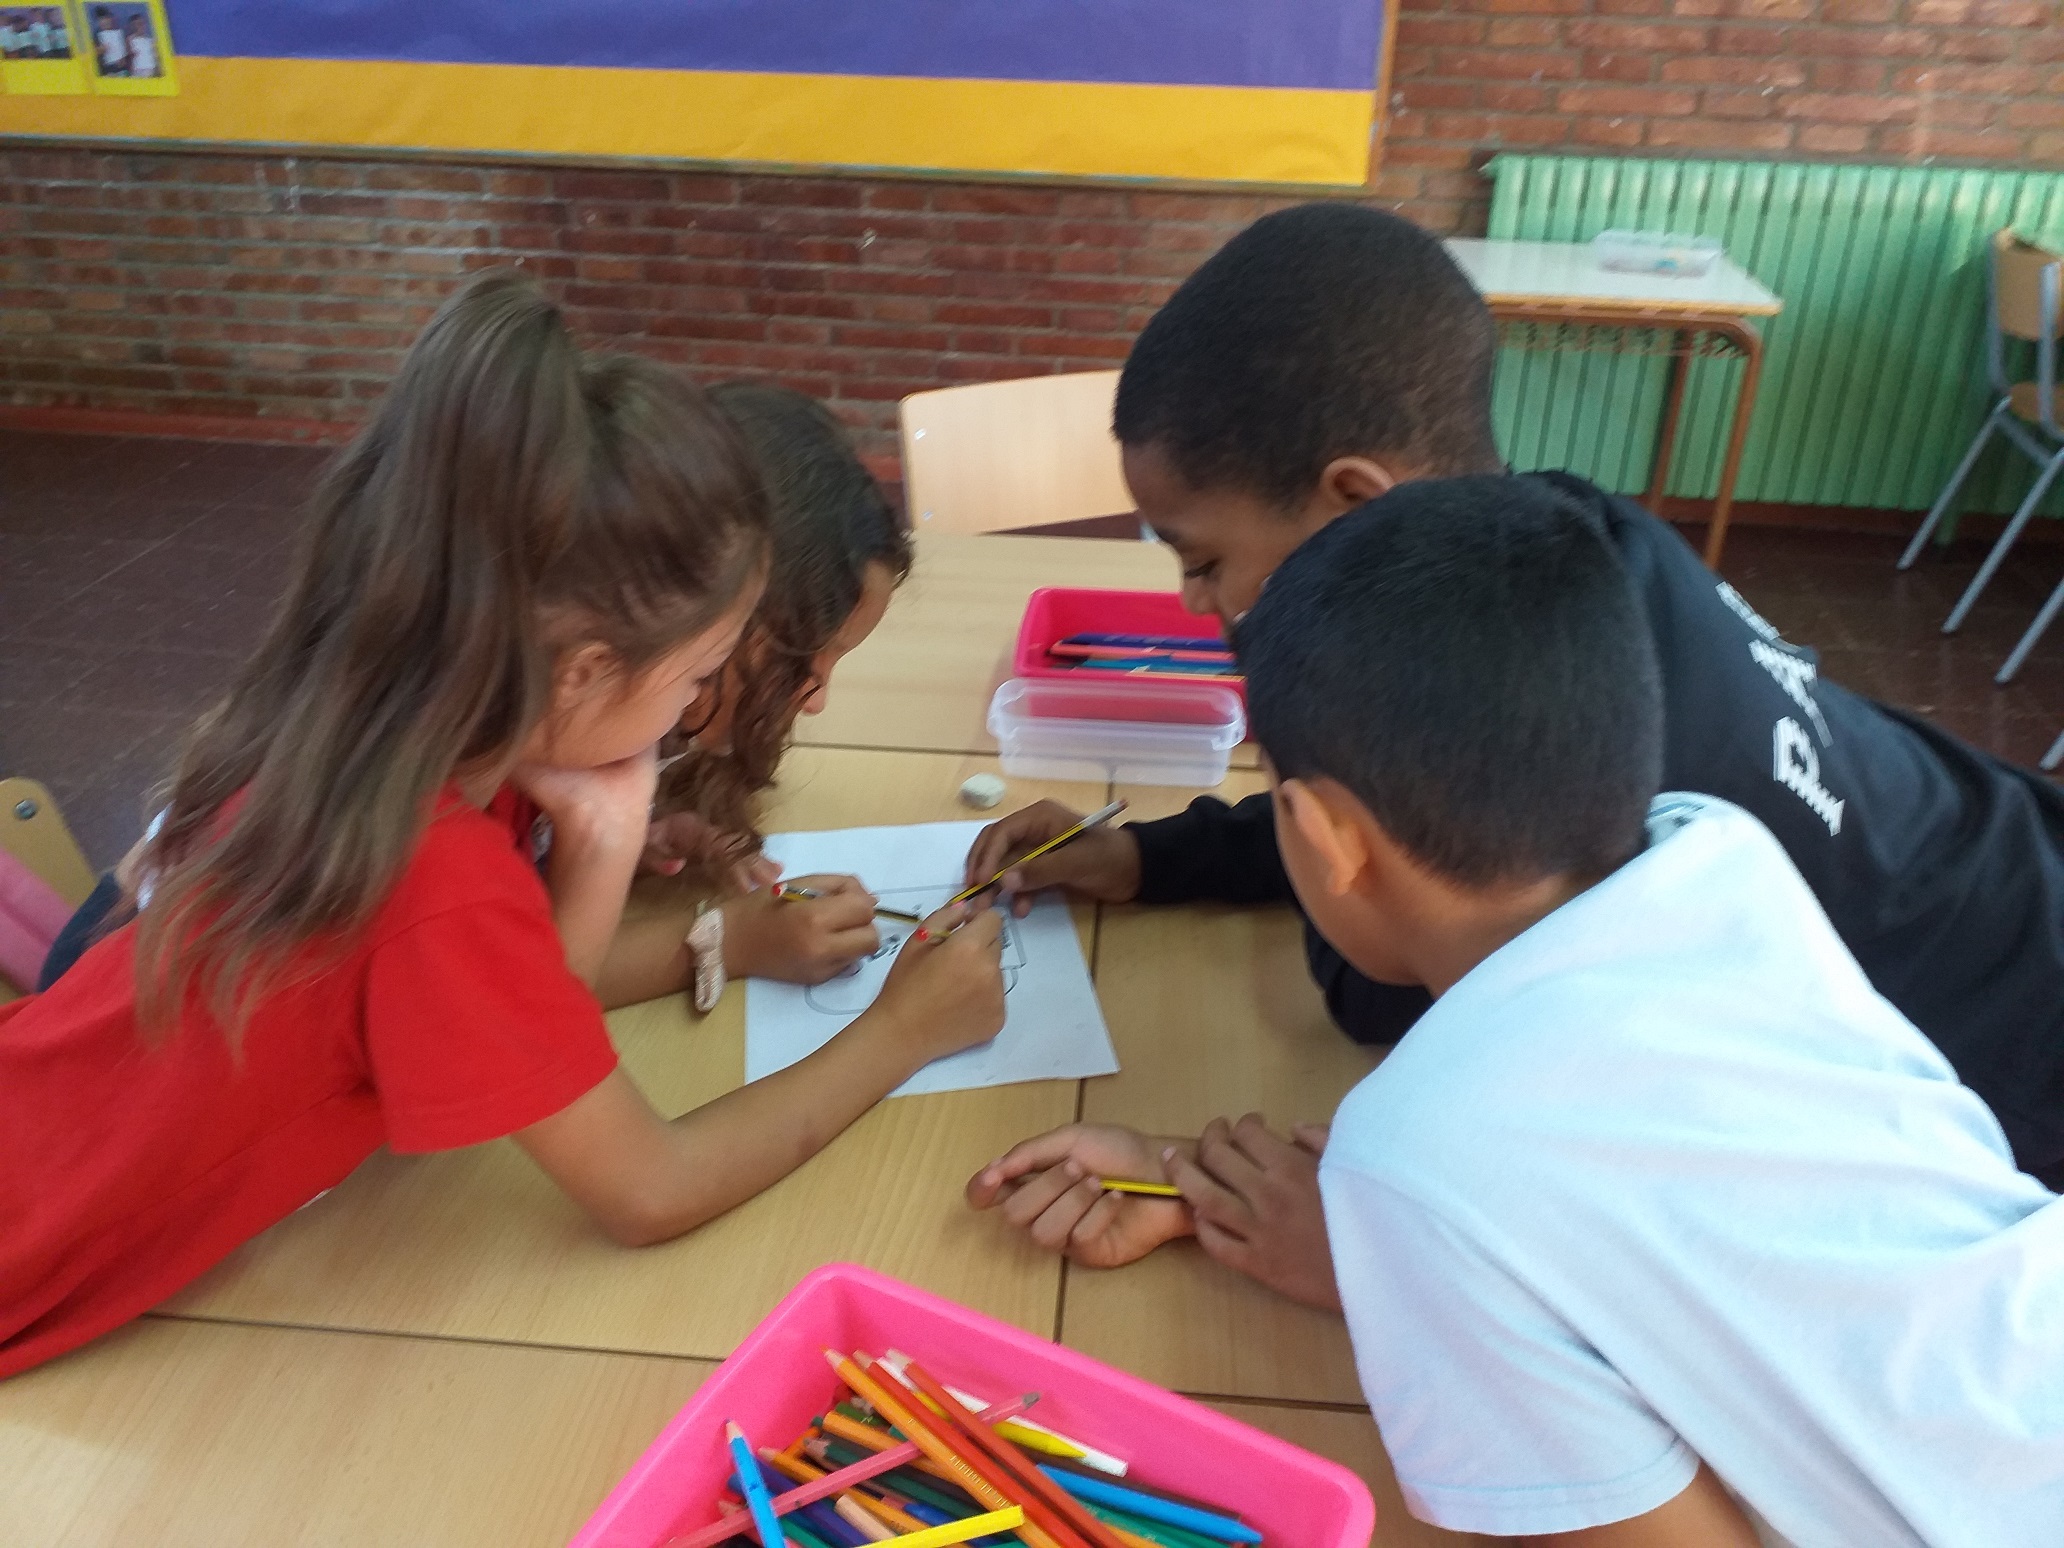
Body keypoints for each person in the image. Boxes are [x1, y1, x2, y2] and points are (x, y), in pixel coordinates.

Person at [975, 479, 2064, 1545]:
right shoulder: (1719, 856)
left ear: (1319, 836)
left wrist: (1399, 1253)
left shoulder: (1420, 1162)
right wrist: (1377, 1246)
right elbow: (1648, 1199)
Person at [0, 272, 1005, 1380]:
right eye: (701, 673)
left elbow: (521, 1019)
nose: (695, 711)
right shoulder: (440, 870)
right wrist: (904, 1030)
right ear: (583, 671)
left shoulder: (413, 736)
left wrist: (634, 875)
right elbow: (648, 1188)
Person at [963, 201, 2064, 1185]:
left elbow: (1378, 977)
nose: (1196, 603)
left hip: (2007, 1072)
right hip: (1998, 843)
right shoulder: (1564, 546)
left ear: (1354, 505)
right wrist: (1153, 858)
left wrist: (1348, 1227)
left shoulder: (1590, 812)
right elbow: (1394, 811)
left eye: (1203, 560)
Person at [596, 382, 915, 1009]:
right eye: (805, 656)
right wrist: (729, 940)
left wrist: (626, 842)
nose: (817, 699)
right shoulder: (491, 775)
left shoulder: (614, 738)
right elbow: (511, 980)